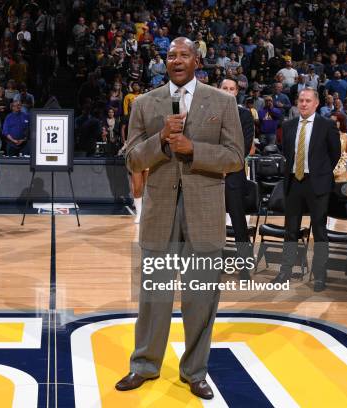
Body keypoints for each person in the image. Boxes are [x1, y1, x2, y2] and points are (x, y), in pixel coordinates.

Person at [115, 37, 243, 400]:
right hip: (159, 213)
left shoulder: (223, 101)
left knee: (201, 297)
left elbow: (235, 157)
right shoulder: (144, 103)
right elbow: (132, 160)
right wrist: (160, 139)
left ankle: (195, 371)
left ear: (196, 61)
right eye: (171, 55)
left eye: (184, 54)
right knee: (152, 295)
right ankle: (144, 365)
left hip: (205, 214)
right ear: (165, 62)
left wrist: (193, 150)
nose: (177, 60)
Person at [272, 88, 341, 292]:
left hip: (317, 183)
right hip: (294, 182)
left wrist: (320, 173)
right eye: (301, 100)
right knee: (290, 230)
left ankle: (320, 275)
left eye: (308, 100)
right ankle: (285, 271)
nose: (303, 104)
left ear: (316, 103)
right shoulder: (289, 124)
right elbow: (286, 151)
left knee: (319, 230)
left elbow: (334, 154)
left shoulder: (327, 125)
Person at [220, 78, 255, 280]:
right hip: (212, 175)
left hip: (234, 175)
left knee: (238, 223)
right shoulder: (209, 112)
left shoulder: (245, 115)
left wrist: (225, 166)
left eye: (231, 89)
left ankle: (244, 267)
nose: (228, 91)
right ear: (219, 90)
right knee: (212, 224)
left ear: (236, 92)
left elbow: (244, 145)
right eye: (224, 88)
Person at [330, 113, 347, 182]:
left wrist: (337, 169)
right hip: (325, 172)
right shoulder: (324, 136)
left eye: (335, 121)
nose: (332, 123)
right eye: (331, 121)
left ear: (341, 122)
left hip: (341, 172)